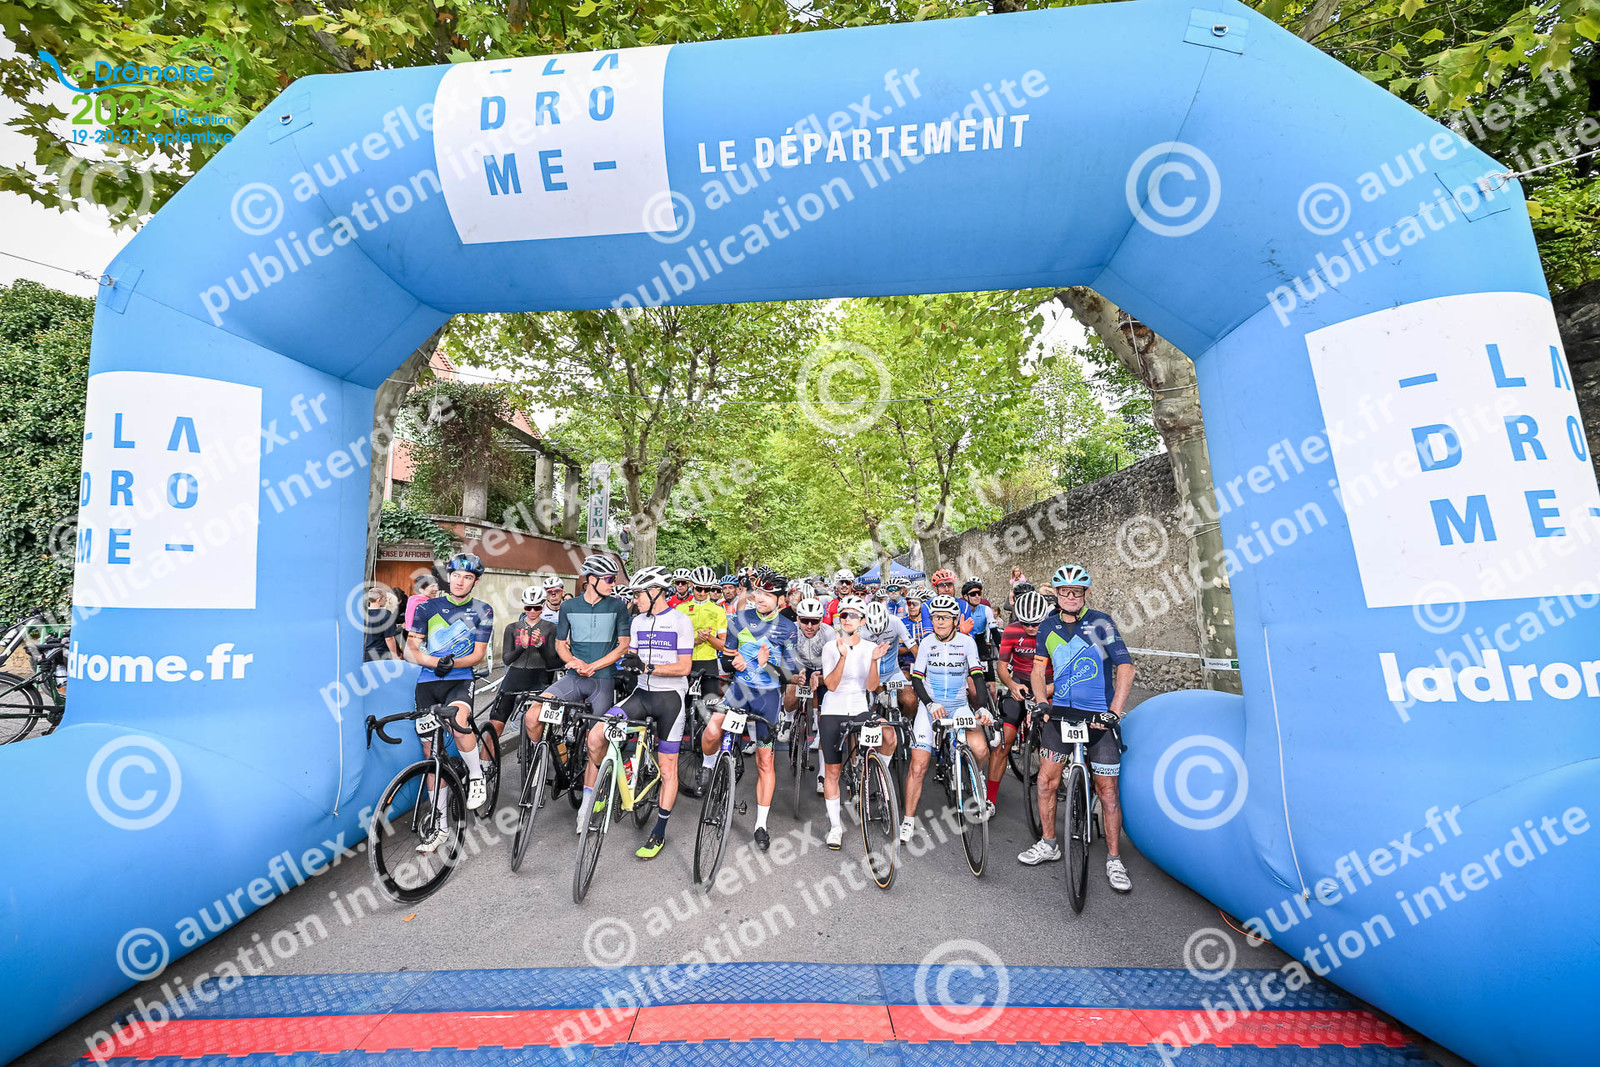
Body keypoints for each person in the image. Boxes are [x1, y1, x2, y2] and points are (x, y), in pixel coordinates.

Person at [1019, 564, 1136, 894]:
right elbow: (1039, 669)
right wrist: (1041, 701)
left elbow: (1126, 667)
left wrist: (1114, 712)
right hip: (1060, 716)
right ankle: (1048, 843)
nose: (1070, 597)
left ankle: (1114, 859)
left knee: (1108, 791)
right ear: (1056, 594)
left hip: (1099, 717)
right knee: (1046, 781)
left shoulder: (1101, 623)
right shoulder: (1047, 626)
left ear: (1085, 593)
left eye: (1077, 591)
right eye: (1064, 591)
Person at [584, 566, 694, 860]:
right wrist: (628, 662)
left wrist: (648, 667)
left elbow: (684, 667)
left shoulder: (680, 621)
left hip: (670, 700)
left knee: (668, 770)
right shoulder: (637, 622)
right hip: (641, 696)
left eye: (638, 594)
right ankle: (605, 786)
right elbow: (631, 656)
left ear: (656, 592)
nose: (635, 599)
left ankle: (659, 831)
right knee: (596, 736)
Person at [698, 571, 798, 851]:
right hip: (740, 691)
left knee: (765, 761)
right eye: (758, 592)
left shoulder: (788, 628)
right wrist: (735, 663)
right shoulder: (738, 619)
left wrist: (766, 665)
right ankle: (707, 766)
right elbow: (726, 661)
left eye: (767, 594)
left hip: (767, 697)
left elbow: (791, 674)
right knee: (712, 731)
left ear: (780, 599)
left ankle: (761, 824)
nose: (760, 598)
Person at [406, 553, 495, 852]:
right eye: (456, 575)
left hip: (460, 680)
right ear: (449, 577)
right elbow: (410, 649)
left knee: (458, 722)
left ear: (475, 582)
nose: (460, 581)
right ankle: (440, 827)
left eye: (467, 577)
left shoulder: (483, 610)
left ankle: (476, 776)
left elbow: (478, 654)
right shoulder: (427, 607)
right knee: (431, 755)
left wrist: (453, 663)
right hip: (427, 683)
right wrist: (435, 662)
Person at [529, 556, 632, 812]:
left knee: (594, 741)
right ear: (592, 580)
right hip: (574, 678)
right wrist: (573, 661)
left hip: (602, 680)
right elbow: (560, 644)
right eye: (609, 579)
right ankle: (544, 758)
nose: (613, 583)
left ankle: (587, 802)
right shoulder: (569, 606)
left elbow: (623, 646)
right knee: (532, 716)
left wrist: (593, 666)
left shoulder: (618, 606)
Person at [903, 595, 993, 838]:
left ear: (955, 620)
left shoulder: (967, 642)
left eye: (944, 618)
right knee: (918, 765)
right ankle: (908, 820)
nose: (939, 622)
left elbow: (977, 676)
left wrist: (982, 708)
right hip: (931, 707)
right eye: (935, 617)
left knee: (980, 749)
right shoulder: (926, 643)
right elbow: (917, 679)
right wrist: (930, 704)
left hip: (959, 705)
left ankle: (977, 776)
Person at [817, 596, 897, 850]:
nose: (847, 619)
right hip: (834, 709)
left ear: (862, 621)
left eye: (853, 615)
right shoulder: (830, 647)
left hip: (859, 708)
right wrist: (842, 657)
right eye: (844, 615)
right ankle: (835, 827)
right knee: (832, 771)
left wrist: (873, 660)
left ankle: (879, 776)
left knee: (889, 734)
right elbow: (831, 685)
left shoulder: (870, 647)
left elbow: (871, 687)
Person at [987, 589, 1051, 808]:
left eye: (1036, 624)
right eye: (1026, 624)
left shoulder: (1054, 630)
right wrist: (1012, 685)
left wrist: (1048, 691)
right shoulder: (1012, 631)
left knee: (1055, 740)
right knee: (1004, 742)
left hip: (1048, 685)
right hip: (1020, 684)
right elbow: (1002, 666)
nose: (1031, 628)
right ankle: (990, 799)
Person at [490, 576, 564, 741]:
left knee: (539, 725)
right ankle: (485, 757)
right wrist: (522, 647)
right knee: (495, 724)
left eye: (536, 607)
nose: (532, 611)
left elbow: (552, 662)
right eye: (528, 607)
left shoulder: (551, 628)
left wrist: (539, 645)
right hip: (514, 678)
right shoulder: (512, 628)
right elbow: (507, 660)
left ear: (543, 605)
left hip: (540, 679)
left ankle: (540, 751)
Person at [785, 596, 836, 795]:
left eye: (814, 621)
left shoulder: (829, 633)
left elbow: (834, 662)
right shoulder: (790, 630)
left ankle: (822, 774)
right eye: (804, 620)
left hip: (822, 670)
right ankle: (788, 719)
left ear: (821, 621)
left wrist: (821, 677)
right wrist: (794, 675)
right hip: (800, 667)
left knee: (824, 722)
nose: (809, 625)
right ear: (797, 619)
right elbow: (784, 657)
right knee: (791, 693)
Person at [676, 565, 729, 708]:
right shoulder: (680, 609)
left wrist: (709, 638)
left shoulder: (718, 611)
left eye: (707, 589)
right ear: (692, 586)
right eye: (699, 589)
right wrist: (696, 641)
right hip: (686, 660)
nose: (702, 593)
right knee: (683, 705)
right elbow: (674, 642)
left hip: (709, 662)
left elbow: (723, 646)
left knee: (709, 707)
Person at [364, 587, 402, 661]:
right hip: (380, 654)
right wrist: (394, 655)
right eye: (385, 598)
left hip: (364, 653)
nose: (386, 600)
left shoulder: (363, 614)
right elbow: (389, 638)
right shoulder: (386, 614)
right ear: (379, 600)